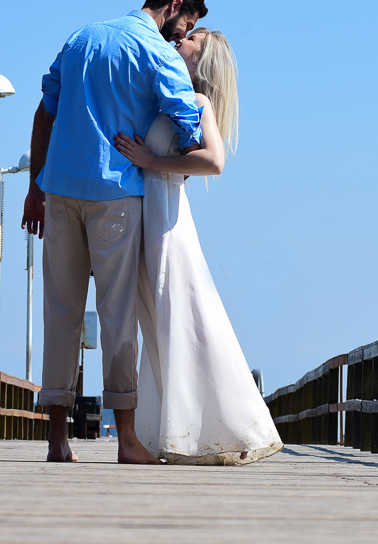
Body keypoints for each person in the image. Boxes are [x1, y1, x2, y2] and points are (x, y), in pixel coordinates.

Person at [22, 0, 207, 464]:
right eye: (185, 24)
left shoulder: (81, 37)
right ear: (173, 6)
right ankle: (126, 441)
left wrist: (34, 189)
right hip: (116, 195)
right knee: (117, 316)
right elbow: (188, 126)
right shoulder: (157, 53)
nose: (182, 35)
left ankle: (57, 441)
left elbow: (44, 113)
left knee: (60, 313)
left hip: (60, 189)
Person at [114, 28, 283, 465]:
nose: (179, 40)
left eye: (191, 39)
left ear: (200, 57)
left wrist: (151, 161)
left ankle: (228, 425)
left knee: (184, 319)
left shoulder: (196, 102)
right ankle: (180, 430)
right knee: (160, 323)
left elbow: (215, 160)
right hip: (149, 217)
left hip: (167, 221)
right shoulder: (167, 99)